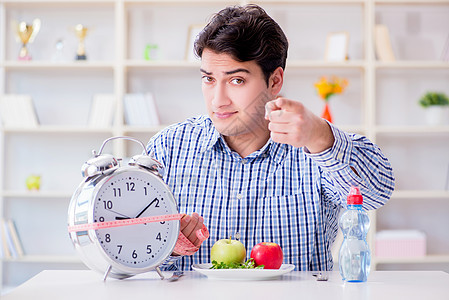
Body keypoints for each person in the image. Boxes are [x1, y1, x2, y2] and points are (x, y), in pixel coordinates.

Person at [147, 4, 395, 271]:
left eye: (236, 80)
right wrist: (167, 245)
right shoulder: (169, 147)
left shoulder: (314, 147)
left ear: (275, 81)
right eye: (209, 79)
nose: (217, 100)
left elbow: (376, 193)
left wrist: (321, 136)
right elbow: (125, 251)